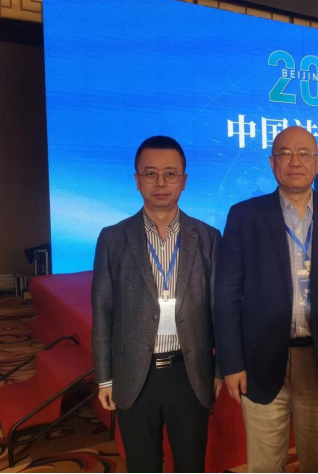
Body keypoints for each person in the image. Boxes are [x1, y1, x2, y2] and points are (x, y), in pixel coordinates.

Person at [215, 126, 318, 473]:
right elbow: (226, 296)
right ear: (272, 163)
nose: (294, 161)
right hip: (260, 358)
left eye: (304, 154)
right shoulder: (245, 216)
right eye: (285, 153)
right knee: (264, 464)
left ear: (317, 162)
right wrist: (231, 363)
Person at [92, 136, 222, 473]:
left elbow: (219, 311)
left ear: (184, 180)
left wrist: (219, 369)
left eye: (170, 174)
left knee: (191, 463)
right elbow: (103, 312)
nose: (161, 183)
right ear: (137, 180)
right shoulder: (113, 238)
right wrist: (104, 378)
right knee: (142, 464)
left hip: (190, 372)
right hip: (134, 372)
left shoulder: (208, 238)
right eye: (150, 174)